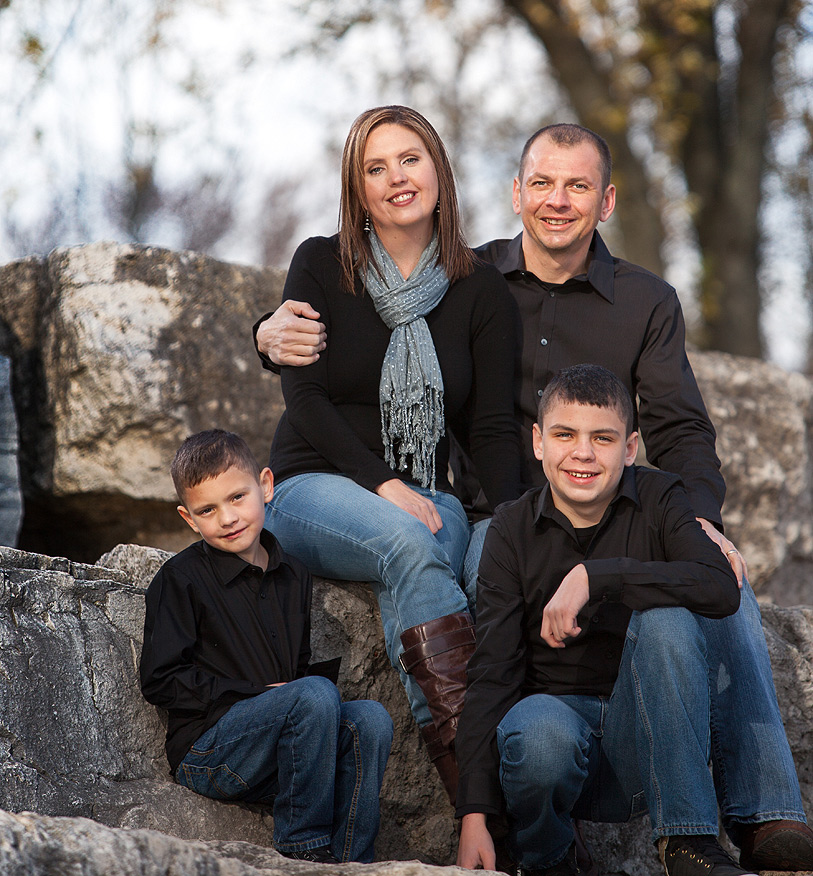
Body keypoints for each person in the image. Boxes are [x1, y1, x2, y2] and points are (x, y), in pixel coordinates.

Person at [256, 121, 813, 870]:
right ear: (515, 194)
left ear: (605, 200)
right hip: (508, 508)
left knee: (724, 578)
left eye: (577, 185)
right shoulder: (465, 276)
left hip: (618, 510)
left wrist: (701, 519)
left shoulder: (644, 299)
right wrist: (261, 331)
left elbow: (679, 426)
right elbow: (343, 328)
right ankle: (514, 792)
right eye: (542, 184)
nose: (558, 201)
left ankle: (766, 815)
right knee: (487, 558)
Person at [258, 105, 522, 802]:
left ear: (438, 168)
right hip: (312, 486)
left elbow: (491, 428)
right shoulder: (321, 263)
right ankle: (479, 789)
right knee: (409, 540)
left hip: (431, 493)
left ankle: (503, 784)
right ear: (358, 189)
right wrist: (380, 482)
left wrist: (529, 525)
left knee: (442, 544)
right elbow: (305, 401)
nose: (395, 178)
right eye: (374, 168)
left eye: (409, 159)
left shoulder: (479, 288)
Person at [455, 365, 811, 876]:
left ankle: (688, 845)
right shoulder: (510, 528)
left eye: (603, 438)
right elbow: (491, 675)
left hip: (648, 741)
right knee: (537, 733)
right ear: (537, 442)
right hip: (556, 740)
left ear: (629, 448)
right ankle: (547, 857)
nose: (583, 452)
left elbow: (718, 586)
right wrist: (474, 817)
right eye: (564, 435)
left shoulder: (661, 498)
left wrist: (597, 577)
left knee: (667, 618)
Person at [140, 429, 393, 863]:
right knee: (313, 693)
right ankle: (304, 848)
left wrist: (296, 696)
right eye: (208, 509)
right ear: (189, 518)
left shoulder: (294, 574)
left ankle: (352, 861)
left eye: (238, 497)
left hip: (280, 750)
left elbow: (292, 672)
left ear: (267, 486)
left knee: (369, 718)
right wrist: (257, 694)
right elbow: (160, 681)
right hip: (210, 752)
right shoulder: (179, 579)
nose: (227, 517)